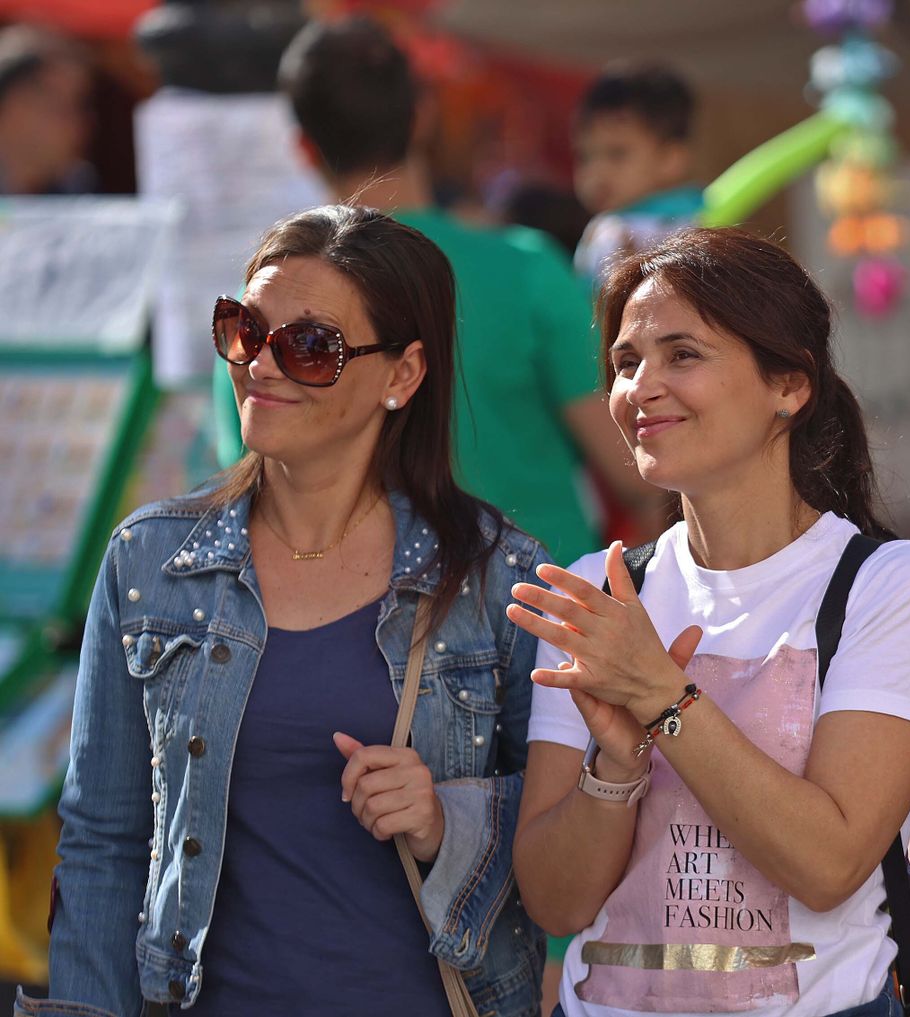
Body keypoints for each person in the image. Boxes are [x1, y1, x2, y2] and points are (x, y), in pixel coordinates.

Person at [22, 205, 549, 1016]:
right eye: (243, 328)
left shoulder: (494, 575)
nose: (261, 364)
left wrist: (451, 820)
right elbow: (102, 844)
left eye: (309, 346)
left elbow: (572, 843)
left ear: (403, 375)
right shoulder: (153, 561)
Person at [507, 227, 910, 1017]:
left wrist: (662, 699)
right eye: (625, 362)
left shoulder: (887, 584)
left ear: (789, 384)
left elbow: (827, 862)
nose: (641, 387)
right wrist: (612, 767)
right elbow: (555, 901)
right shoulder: (598, 591)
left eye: (683, 354)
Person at [212, 16, 665, 564]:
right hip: (539, 612)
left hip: (356, 616)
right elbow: (635, 470)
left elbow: (253, 485)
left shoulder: (259, 313)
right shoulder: (526, 270)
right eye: (313, 349)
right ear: (422, 118)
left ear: (305, 147)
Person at [571, 63, 704, 284]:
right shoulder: (707, 213)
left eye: (617, 154)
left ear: (670, 159)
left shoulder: (611, 232)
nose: (596, 171)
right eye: (584, 157)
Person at [0, 24, 93, 195]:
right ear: (10, 107)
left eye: (80, 106)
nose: (78, 124)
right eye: (60, 106)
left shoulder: (75, 186)